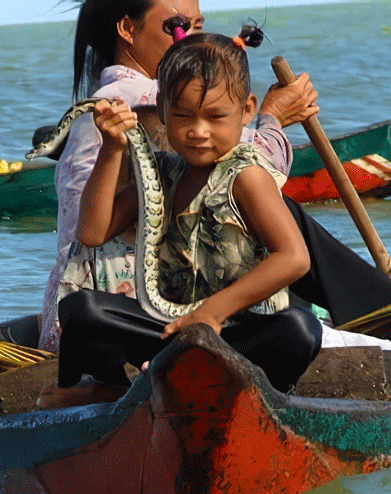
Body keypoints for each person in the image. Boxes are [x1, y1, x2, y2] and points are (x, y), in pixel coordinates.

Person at [38, 0, 391, 353]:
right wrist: (273, 119)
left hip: (197, 296)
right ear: (127, 29)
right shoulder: (138, 103)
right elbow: (260, 163)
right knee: (278, 208)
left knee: (277, 250)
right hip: (139, 296)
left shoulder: (125, 101)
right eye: (178, 27)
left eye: (197, 27)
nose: (190, 40)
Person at [56, 30, 322, 395]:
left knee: (299, 330)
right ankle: (127, 388)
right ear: (163, 108)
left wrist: (212, 313)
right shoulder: (163, 172)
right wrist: (112, 149)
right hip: (170, 329)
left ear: (247, 110)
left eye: (215, 117)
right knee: (81, 309)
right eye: (183, 116)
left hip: (235, 331)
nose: (198, 131)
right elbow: (92, 233)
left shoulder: (246, 176)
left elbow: (293, 258)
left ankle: (226, 383)